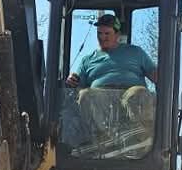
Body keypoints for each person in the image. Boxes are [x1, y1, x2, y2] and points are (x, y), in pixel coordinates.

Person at [65, 14, 157, 145]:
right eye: (99, 33)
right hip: (102, 99)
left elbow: (158, 77)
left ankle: (141, 139)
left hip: (129, 94)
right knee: (85, 95)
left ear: (117, 34)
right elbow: (77, 85)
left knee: (138, 93)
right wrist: (71, 81)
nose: (102, 37)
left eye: (107, 33)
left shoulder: (136, 52)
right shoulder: (88, 60)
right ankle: (103, 139)